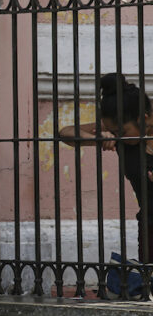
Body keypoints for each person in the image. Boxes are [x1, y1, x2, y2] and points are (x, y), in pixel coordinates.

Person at [58, 73, 153, 297]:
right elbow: (65, 133)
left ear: (144, 118)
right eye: (115, 131)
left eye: (122, 131)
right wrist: (101, 137)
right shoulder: (122, 137)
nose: (118, 136)